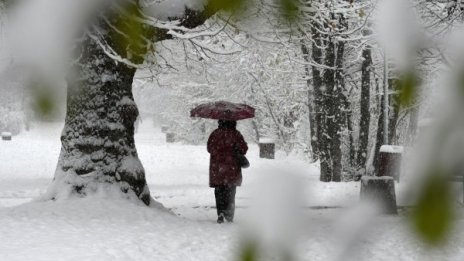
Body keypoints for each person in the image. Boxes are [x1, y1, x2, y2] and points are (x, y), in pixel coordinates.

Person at [207, 119, 248, 223]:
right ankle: (229, 215)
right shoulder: (236, 134)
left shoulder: (215, 133)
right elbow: (244, 149)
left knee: (219, 192)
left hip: (217, 169)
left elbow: (209, 148)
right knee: (230, 193)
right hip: (232, 170)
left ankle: (220, 212)